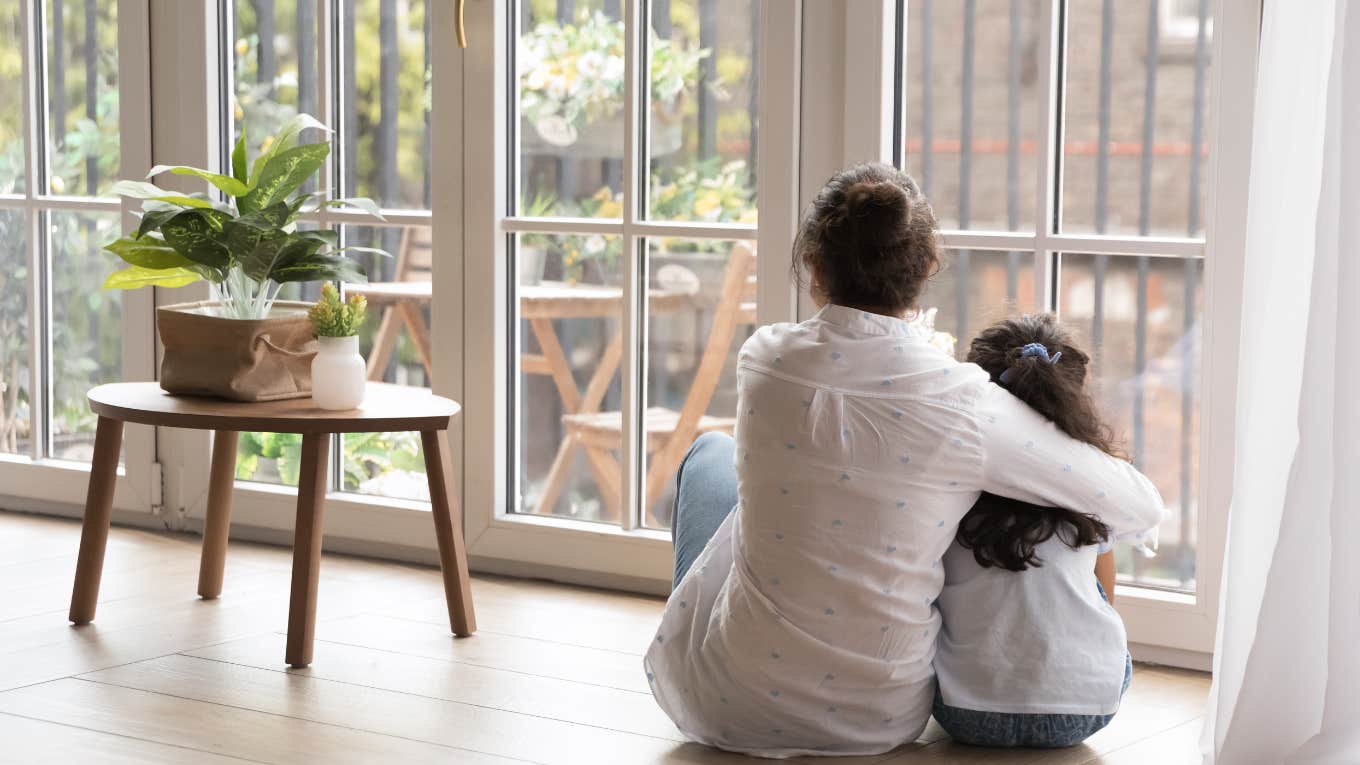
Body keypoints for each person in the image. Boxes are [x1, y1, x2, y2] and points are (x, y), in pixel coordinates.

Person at [643, 163, 1165, 757]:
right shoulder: (965, 401)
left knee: (710, 456)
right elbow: (1138, 504)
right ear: (927, 269)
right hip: (874, 720)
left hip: (725, 700)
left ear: (815, 266)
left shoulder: (762, 359)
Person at [932, 314, 1151, 748]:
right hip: (1086, 710)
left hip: (967, 714)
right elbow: (1105, 592)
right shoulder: (1094, 482)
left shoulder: (953, 474)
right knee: (1090, 590)